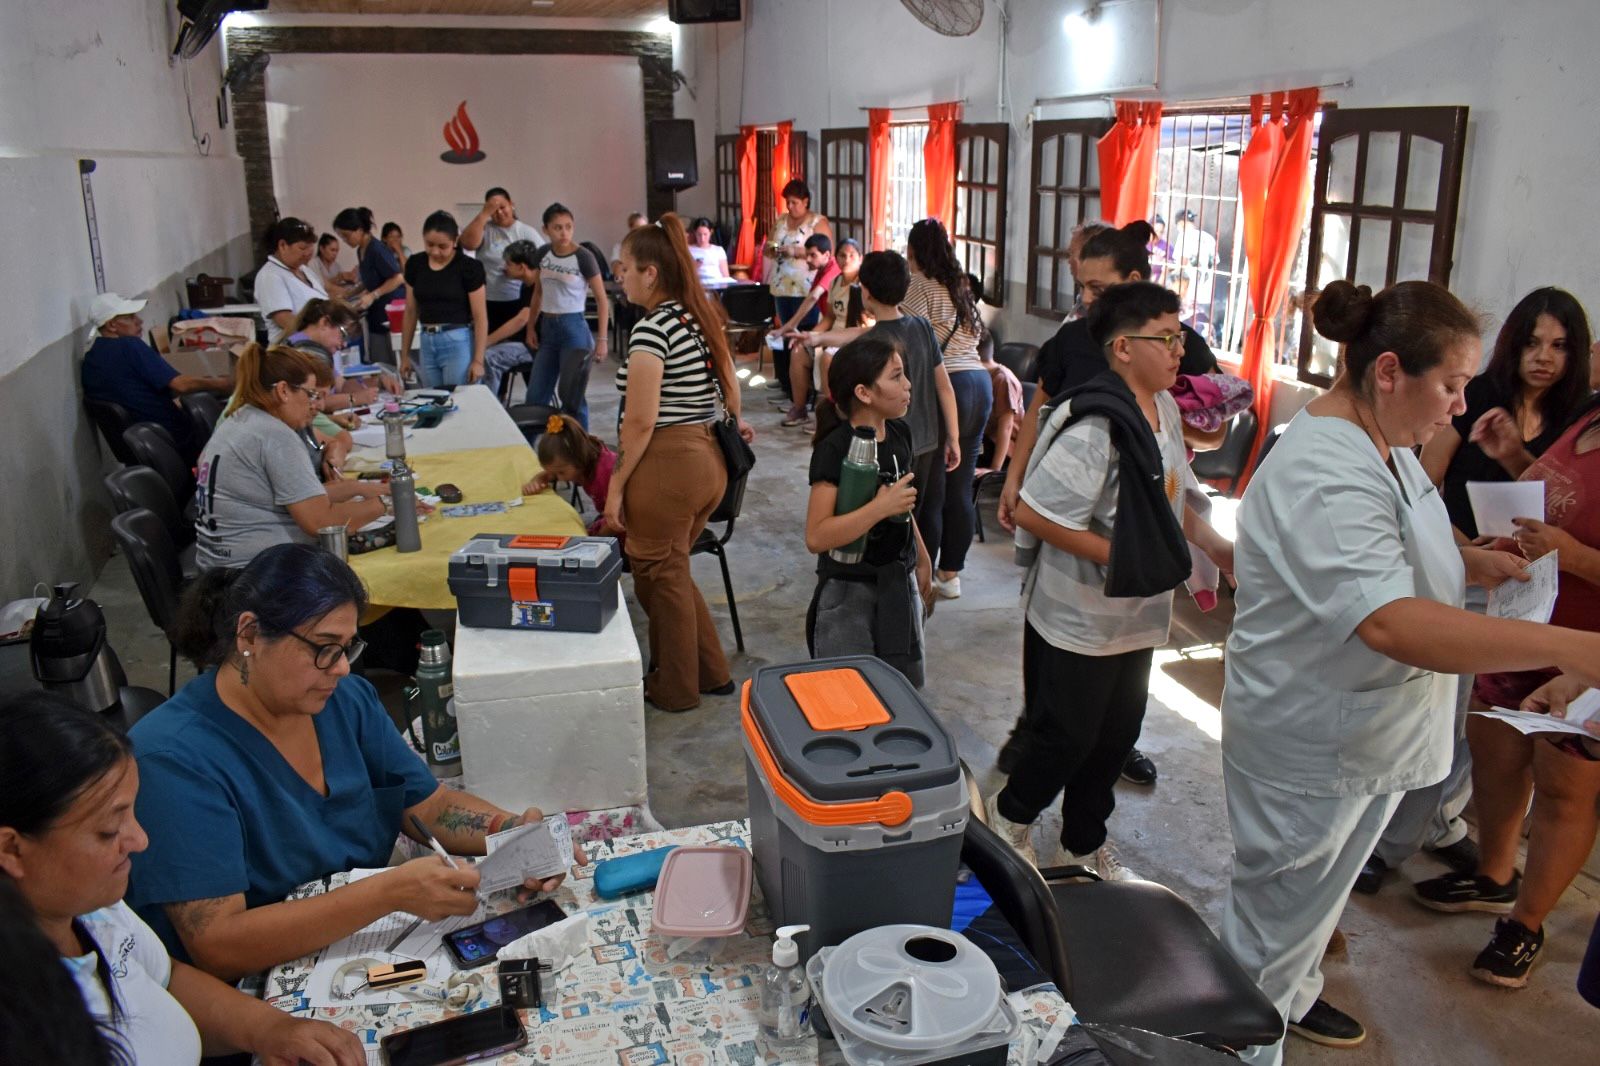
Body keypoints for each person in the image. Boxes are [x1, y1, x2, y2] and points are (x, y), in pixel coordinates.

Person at [1216, 279, 1600, 1063]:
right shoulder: (1328, 465)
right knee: (1274, 921)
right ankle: (1241, 1038)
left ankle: (1288, 996)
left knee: (1307, 912)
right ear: (1389, 370)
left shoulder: (1381, 443)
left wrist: (1469, 561)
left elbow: (1395, 545)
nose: (1459, 407)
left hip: (1362, 733)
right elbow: (1389, 620)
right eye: (1452, 385)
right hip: (1313, 739)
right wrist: (1569, 648)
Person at [124, 545, 577, 978]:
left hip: (359, 947)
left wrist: (511, 834)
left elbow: (431, 807)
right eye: (324, 647)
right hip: (263, 980)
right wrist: (388, 893)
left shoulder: (344, 701)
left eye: (346, 648)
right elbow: (219, 944)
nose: (341, 667)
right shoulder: (174, 760)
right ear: (249, 636)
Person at [984, 283, 1234, 883]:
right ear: (1123, 348)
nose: (1180, 350)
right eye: (1165, 338)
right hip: (1079, 616)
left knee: (1116, 737)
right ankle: (1009, 817)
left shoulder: (1164, 409)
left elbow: (1168, 501)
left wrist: (1218, 548)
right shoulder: (1098, 425)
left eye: (1181, 336)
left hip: (1136, 615)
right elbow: (1036, 513)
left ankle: (1081, 843)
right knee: (1065, 737)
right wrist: (1125, 556)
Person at [1358, 289, 1596, 894]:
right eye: (1533, 342)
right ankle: (1397, 842)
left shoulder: (1574, 410)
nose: (1544, 357)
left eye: (1560, 346)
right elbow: (1423, 483)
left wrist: (1516, 462)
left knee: (1484, 739)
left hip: (1534, 596)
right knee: (1448, 718)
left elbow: (1547, 499)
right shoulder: (1483, 397)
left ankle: (1440, 826)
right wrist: (1458, 549)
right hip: (1472, 571)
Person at [0, 691, 365, 1065]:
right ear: (11, 849)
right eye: (108, 831)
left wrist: (270, 1029)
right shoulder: (24, 1025)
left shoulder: (93, 910)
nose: (140, 840)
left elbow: (163, 977)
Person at [1411, 390, 1600, 988]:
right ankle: (1494, 875)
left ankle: (1526, 923)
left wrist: (1575, 557)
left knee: (1564, 786)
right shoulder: (1590, 414)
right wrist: (1515, 457)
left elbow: (1576, 540)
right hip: (1525, 617)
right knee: (1494, 751)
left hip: (1585, 643)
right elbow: (1568, 501)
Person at [610, 214, 753, 712]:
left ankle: (675, 687)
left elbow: (639, 421)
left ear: (650, 273)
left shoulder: (652, 329)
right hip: (707, 462)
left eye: (625, 267)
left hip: (667, 466)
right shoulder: (697, 316)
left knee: (660, 580)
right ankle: (711, 672)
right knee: (671, 571)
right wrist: (735, 418)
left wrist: (615, 486)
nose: (620, 277)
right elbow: (730, 385)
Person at [804, 335, 933, 687]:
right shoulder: (836, 449)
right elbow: (817, 536)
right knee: (851, 694)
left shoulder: (900, 434)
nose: (908, 385)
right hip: (849, 592)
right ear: (864, 392)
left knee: (901, 690)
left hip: (898, 584)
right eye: (896, 376)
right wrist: (878, 508)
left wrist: (921, 558)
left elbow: (902, 503)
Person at [193, 344, 392, 570]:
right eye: (310, 394)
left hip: (221, 567)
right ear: (283, 391)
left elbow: (300, 498)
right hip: (254, 574)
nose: (314, 405)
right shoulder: (275, 435)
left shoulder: (241, 419)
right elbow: (320, 522)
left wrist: (358, 488)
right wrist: (387, 504)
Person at [806, 250, 959, 535]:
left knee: (894, 522)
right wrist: (953, 436)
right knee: (927, 515)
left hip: (894, 445)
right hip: (930, 439)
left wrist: (817, 337)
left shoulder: (875, 344)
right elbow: (944, 387)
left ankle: (905, 561)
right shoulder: (921, 326)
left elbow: (857, 335)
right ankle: (922, 563)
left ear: (866, 292)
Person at [902, 217, 992, 601]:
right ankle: (950, 575)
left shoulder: (919, 285)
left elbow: (904, 337)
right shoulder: (960, 287)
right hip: (979, 384)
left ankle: (922, 574)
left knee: (932, 488)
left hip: (946, 388)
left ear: (913, 251)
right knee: (961, 485)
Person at [81, 292, 231, 464]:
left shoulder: (92, 358)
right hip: (176, 439)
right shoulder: (129, 346)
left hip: (145, 446)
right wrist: (223, 384)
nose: (139, 321)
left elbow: (134, 393)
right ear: (112, 325)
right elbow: (181, 385)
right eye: (130, 317)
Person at [525, 202, 609, 429]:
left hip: (574, 329)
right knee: (535, 395)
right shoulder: (543, 253)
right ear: (545, 229)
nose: (564, 233)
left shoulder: (584, 256)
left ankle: (581, 447)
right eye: (557, 228)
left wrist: (602, 339)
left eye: (568, 227)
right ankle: (530, 447)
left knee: (573, 398)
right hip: (548, 327)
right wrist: (531, 326)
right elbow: (538, 293)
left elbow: (602, 299)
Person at [400, 211, 488, 387]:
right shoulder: (415, 264)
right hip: (426, 340)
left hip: (457, 340)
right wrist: (405, 356)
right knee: (432, 397)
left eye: (442, 246)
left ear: (455, 241)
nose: (435, 251)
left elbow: (480, 317)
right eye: (429, 244)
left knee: (459, 397)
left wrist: (478, 360)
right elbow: (410, 311)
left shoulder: (469, 267)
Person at [764, 180, 833, 402]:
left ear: (805, 201)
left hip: (807, 286)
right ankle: (786, 381)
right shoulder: (781, 220)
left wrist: (796, 251)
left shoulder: (817, 222)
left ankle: (805, 387)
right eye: (788, 202)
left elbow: (826, 251)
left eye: (794, 202)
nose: (790, 207)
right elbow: (768, 245)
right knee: (784, 329)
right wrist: (773, 250)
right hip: (782, 284)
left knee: (802, 331)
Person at [772, 234, 843, 425]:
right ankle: (799, 409)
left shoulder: (834, 271)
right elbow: (827, 317)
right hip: (828, 328)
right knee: (798, 349)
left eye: (813, 255)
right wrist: (809, 336)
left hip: (842, 334)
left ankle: (829, 418)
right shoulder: (824, 272)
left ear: (827, 255)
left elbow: (813, 297)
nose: (808, 259)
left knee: (826, 357)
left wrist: (789, 326)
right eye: (807, 254)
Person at [460, 187, 542, 334]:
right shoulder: (484, 229)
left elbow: (544, 261)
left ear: (511, 204)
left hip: (517, 298)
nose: (499, 212)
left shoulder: (526, 231)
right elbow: (467, 244)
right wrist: (484, 214)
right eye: (493, 210)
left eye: (502, 207)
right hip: (488, 299)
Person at [522, 412, 618, 537]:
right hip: (609, 516)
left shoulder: (605, 473)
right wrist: (537, 480)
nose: (559, 479)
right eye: (555, 474)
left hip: (625, 526)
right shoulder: (583, 459)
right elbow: (548, 474)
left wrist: (596, 539)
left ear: (577, 457)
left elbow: (619, 519)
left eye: (561, 472)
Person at [333, 206, 407, 367]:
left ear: (359, 230)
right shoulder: (361, 250)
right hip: (376, 311)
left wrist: (373, 295)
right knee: (380, 360)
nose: (345, 240)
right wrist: (348, 294)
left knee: (395, 360)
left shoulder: (377, 249)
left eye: (346, 236)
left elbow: (397, 278)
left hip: (391, 309)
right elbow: (369, 280)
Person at [479, 238, 540, 399]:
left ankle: (490, 406)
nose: (504, 268)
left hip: (538, 347)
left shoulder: (539, 286)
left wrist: (485, 342)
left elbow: (522, 319)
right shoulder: (525, 286)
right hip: (525, 343)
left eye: (508, 264)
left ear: (521, 267)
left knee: (488, 357)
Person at [253, 217, 327, 346]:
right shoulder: (270, 276)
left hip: (317, 344)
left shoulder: (304, 270)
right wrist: (319, 335)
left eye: (311, 246)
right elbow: (286, 320)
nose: (308, 253)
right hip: (294, 348)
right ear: (282, 245)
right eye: (302, 248)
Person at [687, 217, 731, 284]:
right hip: (697, 284)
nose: (702, 238)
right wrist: (693, 267)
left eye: (705, 234)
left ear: (711, 232)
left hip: (717, 283)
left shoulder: (718, 250)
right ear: (695, 233)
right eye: (699, 234)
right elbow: (684, 274)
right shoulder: (689, 250)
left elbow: (725, 275)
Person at [610, 211, 649, 278]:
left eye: (644, 228)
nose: (641, 231)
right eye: (637, 228)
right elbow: (618, 273)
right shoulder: (619, 248)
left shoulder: (651, 248)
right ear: (631, 229)